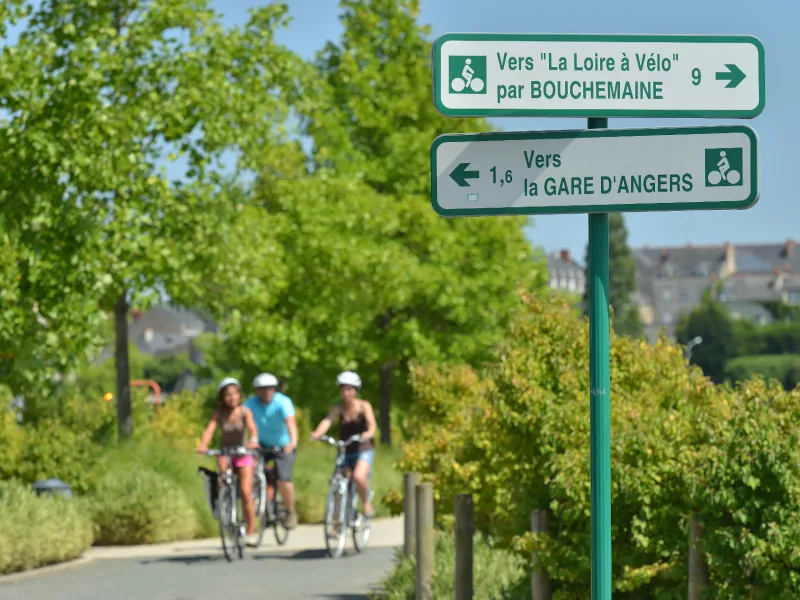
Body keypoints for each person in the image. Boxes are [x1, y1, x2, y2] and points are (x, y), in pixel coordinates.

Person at [196, 377, 260, 546]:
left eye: (234, 394)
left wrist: (253, 440)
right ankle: (224, 507)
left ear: (239, 394)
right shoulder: (219, 413)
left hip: (243, 452)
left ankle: (251, 530)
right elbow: (210, 429)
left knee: (246, 492)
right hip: (225, 452)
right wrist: (203, 444)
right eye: (227, 395)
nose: (232, 398)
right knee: (223, 480)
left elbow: (252, 428)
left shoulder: (245, 412)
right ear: (222, 397)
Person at [310, 371, 377, 518]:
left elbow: (372, 424)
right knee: (338, 482)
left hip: (363, 448)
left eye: (349, 389)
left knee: (359, 477)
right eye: (343, 389)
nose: (346, 393)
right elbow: (327, 421)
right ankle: (336, 521)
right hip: (345, 449)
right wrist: (318, 433)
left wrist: (368, 434)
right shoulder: (338, 408)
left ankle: (366, 502)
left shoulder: (364, 406)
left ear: (355, 390)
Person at [244, 372, 299, 529]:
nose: (267, 392)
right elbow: (242, 422)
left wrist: (292, 442)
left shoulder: (283, 402)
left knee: (283, 478)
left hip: (283, 444)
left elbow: (291, 424)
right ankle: (261, 504)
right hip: (260, 444)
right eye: (263, 389)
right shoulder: (250, 404)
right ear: (257, 391)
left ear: (274, 389)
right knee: (250, 470)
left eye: (270, 388)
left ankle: (290, 511)